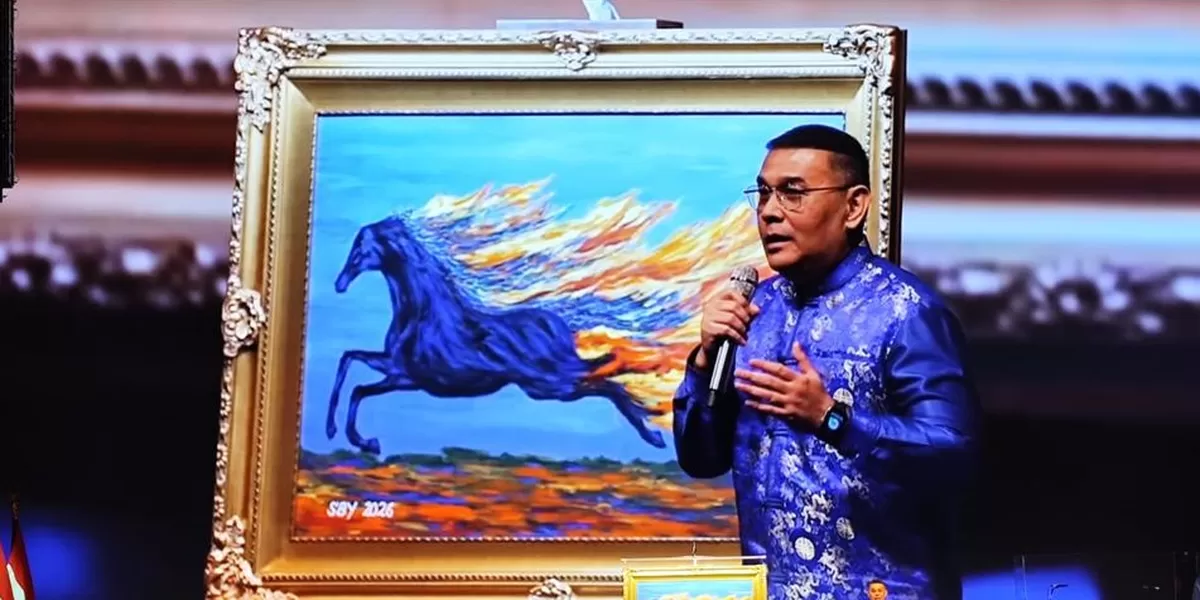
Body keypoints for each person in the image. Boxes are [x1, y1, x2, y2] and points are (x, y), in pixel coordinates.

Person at [672, 124, 979, 600]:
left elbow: (954, 455)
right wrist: (704, 359)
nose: (770, 212)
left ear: (854, 206)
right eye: (764, 193)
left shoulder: (906, 311)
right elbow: (700, 459)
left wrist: (831, 418)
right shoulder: (755, 311)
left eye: (793, 193)